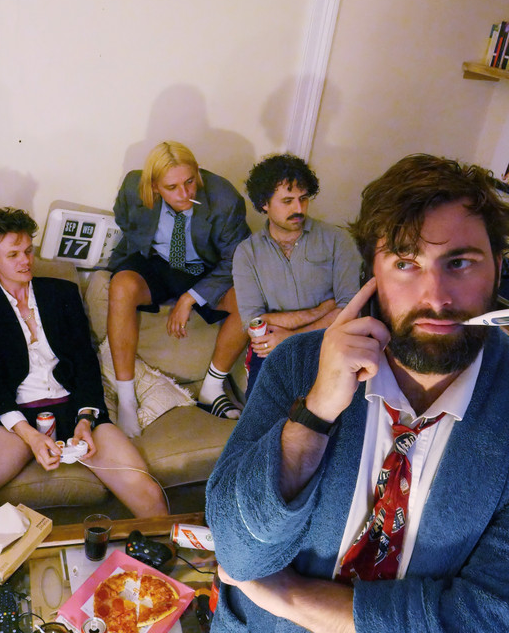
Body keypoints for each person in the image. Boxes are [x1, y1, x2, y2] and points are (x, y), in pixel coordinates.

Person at [206, 154, 509, 632]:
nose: (436, 296)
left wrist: (292, 597)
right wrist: (315, 413)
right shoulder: (299, 364)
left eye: (460, 263)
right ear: (372, 274)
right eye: (405, 264)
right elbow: (238, 552)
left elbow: (485, 616)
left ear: (498, 268)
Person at [0, 208, 168, 529]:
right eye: (13, 254)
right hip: (15, 419)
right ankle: (34, 541)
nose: (25, 261)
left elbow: (85, 362)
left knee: (151, 497)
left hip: (73, 410)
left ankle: (149, 559)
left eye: (28, 251)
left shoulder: (61, 293)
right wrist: (29, 435)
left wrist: (85, 419)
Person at [107, 141, 250, 435]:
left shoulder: (225, 199)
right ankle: (126, 399)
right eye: (172, 187)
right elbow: (123, 217)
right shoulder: (134, 186)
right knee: (121, 286)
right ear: (155, 186)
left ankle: (212, 389)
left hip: (204, 266)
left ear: (197, 171)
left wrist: (189, 298)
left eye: (190, 181)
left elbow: (235, 259)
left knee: (247, 297)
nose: (185, 194)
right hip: (157, 261)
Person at [234, 153, 360, 395]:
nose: (299, 208)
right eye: (287, 201)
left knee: (335, 412)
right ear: (264, 203)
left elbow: (350, 309)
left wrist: (291, 336)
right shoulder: (247, 253)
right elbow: (254, 321)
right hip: (272, 348)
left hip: (330, 342)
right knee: (260, 414)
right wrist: (321, 310)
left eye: (303, 199)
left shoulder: (337, 239)